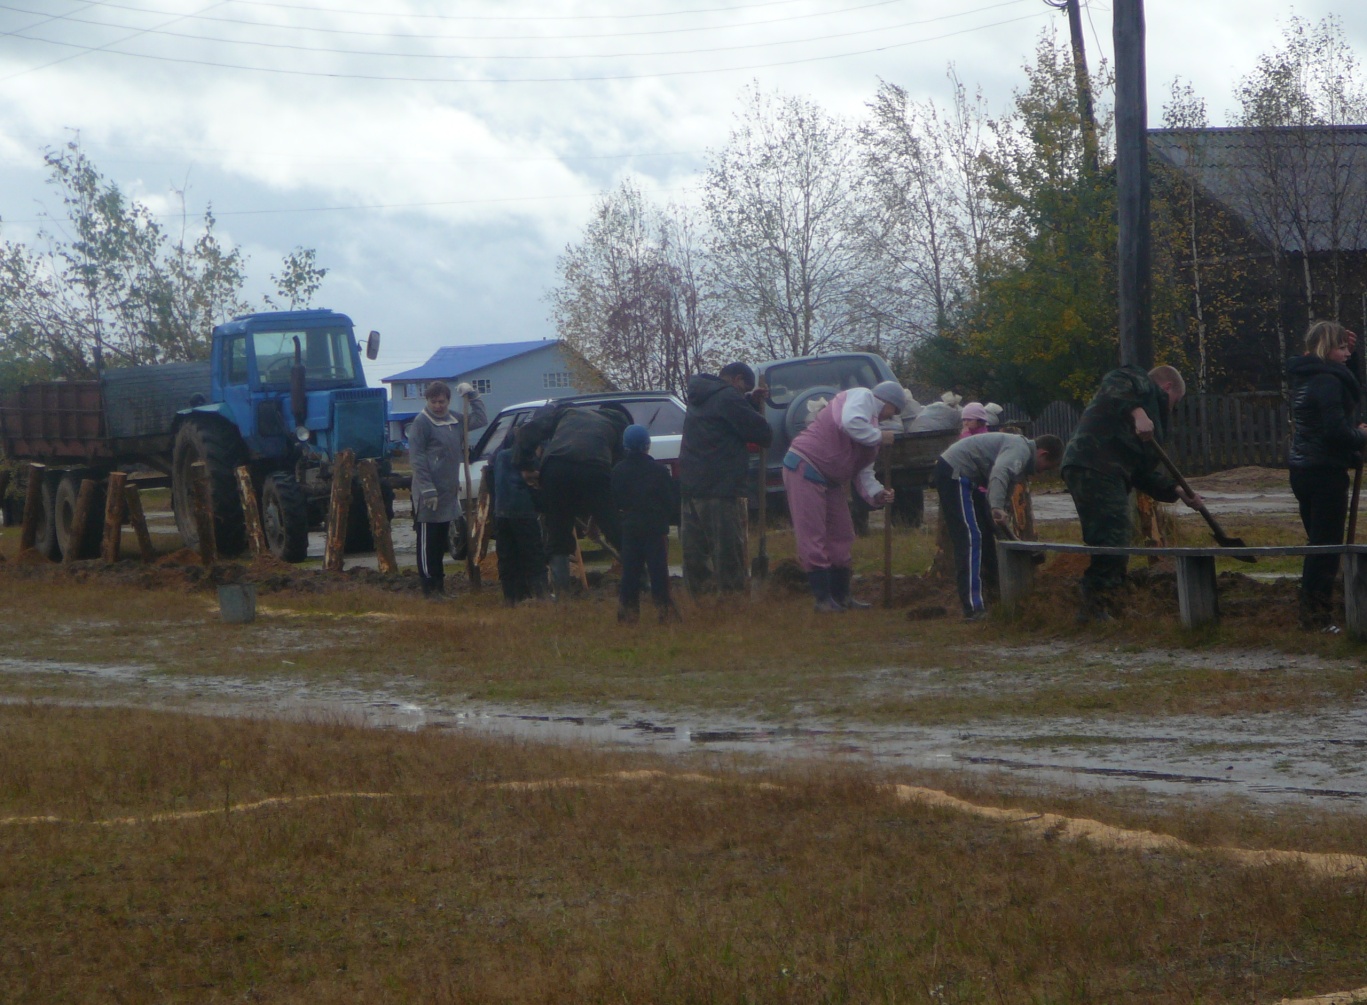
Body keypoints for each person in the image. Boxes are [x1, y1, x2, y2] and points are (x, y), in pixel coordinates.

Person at [1061, 364, 1201, 621]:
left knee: (1116, 533)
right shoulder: (1139, 383)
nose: (1172, 408)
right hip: (1092, 463)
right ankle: (1097, 606)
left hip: (1108, 471)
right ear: (1167, 387)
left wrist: (1176, 489)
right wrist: (1137, 413)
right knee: (1111, 534)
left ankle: (1110, 602)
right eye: (1175, 401)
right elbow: (1114, 380)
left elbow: (1141, 473)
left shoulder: (1150, 423)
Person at [782, 380, 903, 612]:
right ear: (888, 402)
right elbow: (850, 422)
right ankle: (823, 599)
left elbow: (863, 471)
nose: (892, 416)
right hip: (805, 466)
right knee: (813, 533)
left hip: (832, 479)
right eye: (894, 410)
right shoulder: (862, 397)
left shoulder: (872, 428)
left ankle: (842, 595)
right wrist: (879, 436)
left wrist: (879, 494)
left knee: (842, 533)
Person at [1287, 321, 1367, 632]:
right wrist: (1360, 435)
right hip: (1325, 472)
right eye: (1342, 348)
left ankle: (1312, 613)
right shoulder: (1327, 382)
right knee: (1326, 547)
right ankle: (1316, 619)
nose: (1347, 353)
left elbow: (1350, 389)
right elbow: (1336, 431)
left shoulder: (1308, 376)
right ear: (1325, 348)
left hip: (1303, 469)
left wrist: (1355, 355)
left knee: (1318, 544)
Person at [936, 432, 1064, 620]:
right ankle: (973, 609)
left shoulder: (1020, 463)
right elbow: (999, 473)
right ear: (1042, 454)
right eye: (1045, 468)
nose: (1040, 472)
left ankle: (994, 597)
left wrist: (1000, 517)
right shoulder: (1019, 451)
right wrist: (996, 507)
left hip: (967, 478)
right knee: (971, 538)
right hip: (956, 473)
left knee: (986, 535)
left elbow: (1003, 492)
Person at [514, 402, 631, 595]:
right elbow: (608, 489)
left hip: (555, 469)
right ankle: (642, 582)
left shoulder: (568, 413)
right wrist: (600, 519)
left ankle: (562, 594)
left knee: (558, 533)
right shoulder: (619, 428)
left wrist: (525, 466)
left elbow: (527, 432)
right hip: (594, 468)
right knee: (616, 530)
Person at [679, 362, 773, 597]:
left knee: (696, 553)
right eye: (744, 388)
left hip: (692, 485)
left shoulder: (700, 392)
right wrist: (749, 406)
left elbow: (722, 416)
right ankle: (732, 602)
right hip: (720, 486)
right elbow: (762, 433)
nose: (742, 393)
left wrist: (748, 400)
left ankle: (701, 601)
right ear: (737, 379)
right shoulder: (729, 397)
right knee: (727, 550)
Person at [407, 380, 487, 598]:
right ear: (427, 401)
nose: (438, 406)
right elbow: (417, 458)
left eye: (441, 401)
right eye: (434, 402)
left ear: (448, 400)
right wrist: (427, 488)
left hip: (448, 490)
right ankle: (428, 588)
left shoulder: (455, 419)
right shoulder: (421, 423)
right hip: (428, 493)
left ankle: (439, 587)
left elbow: (481, 419)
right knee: (428, 542)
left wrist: (473, 396)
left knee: (441, 542)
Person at [611, 424, 679, 623]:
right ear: (647, 446)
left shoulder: (618, 471)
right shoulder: (658, 471)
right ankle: (664, 612)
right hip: (655, 528)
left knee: (630, 573)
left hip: (631, 527)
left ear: (625, 446)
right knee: (658, 571)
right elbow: (670, 501)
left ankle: (627, 615)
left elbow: (617, 500)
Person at [491, 430, 548, 605]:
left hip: (501, 513)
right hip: (522, 512)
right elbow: (532, 478)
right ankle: (541, 595)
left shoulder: (500, 456)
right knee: (533, 554)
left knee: (508, 556)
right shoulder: (525, 457)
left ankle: (511, 597)